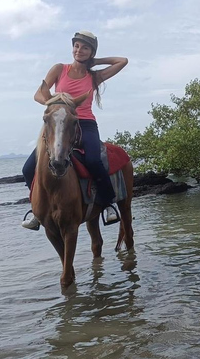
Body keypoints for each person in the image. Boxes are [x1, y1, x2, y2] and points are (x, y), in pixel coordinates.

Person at [21, 31, 128, 230]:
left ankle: (108, 204)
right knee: (28, 169)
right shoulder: (59, 69)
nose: (79, 50)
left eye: (85, 47)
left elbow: (123, 61)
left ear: (91, 52)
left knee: (94, 161)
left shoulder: (94, 76)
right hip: (58, 123)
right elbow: (38, 94)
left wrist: (96, 62)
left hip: (85, 124)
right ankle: (36, 210)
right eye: (76, 46)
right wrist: (56, 105)